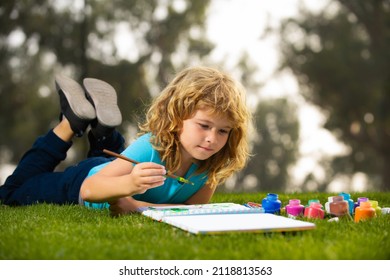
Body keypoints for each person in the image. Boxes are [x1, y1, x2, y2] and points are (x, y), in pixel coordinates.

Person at [0, 66, 252, 216]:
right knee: (11, 193)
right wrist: (130, 182)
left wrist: (137, 204)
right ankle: (71, 123)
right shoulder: (151, 146)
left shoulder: (210, 167)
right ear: (177, 118)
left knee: (111, 159)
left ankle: (104, 132)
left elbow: (189, 211)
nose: (212, 139)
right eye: (204, 125)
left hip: (113, 163)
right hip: (81, 181)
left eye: (223, 131)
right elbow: (90, 188)